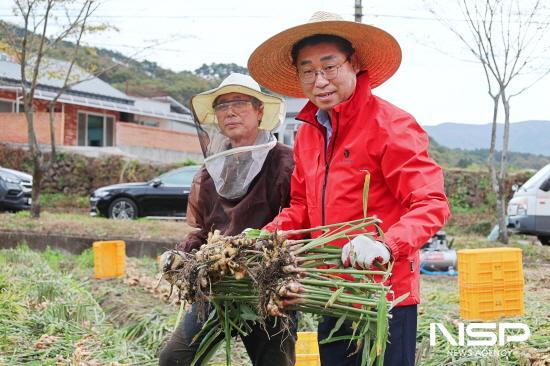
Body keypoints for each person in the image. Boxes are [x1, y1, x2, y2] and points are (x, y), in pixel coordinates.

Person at [247, 11, 451, 366]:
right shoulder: (308, 133)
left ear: (354, 63)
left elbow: (431, 203)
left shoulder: (391, 125)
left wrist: (386, 244)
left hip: (383, 295)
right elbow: (301, 207)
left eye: (330, 66)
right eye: (308, 71)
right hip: (331, 292)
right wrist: (265, 237)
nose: (320, 80)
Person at [158, 73, 296, 366]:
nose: (230, 111)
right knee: (174, 358)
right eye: (222, 106)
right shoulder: (211, 170)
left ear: (260, 111)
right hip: (218, 282)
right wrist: (180, 255)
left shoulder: (284, 161)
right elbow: (203, 230)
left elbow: (299, 216)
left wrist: (259, 247)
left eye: (240, 103)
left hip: (266, 286)